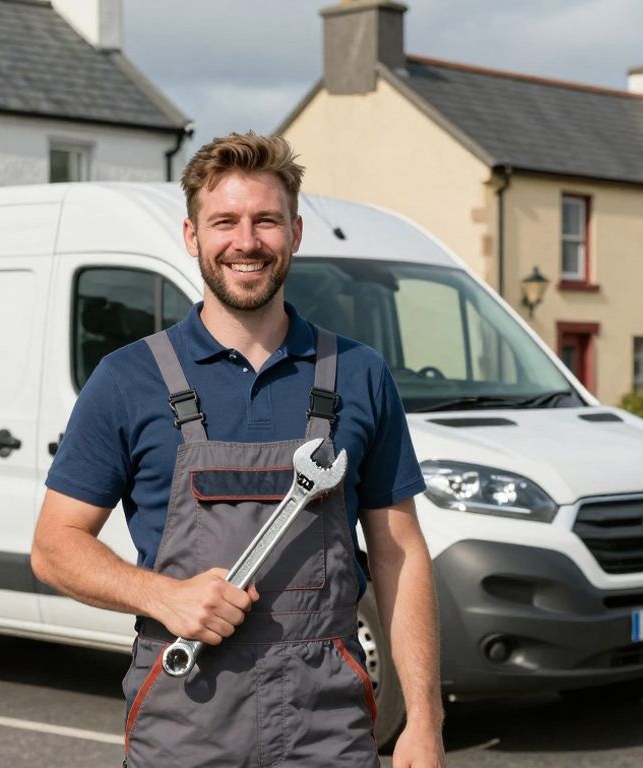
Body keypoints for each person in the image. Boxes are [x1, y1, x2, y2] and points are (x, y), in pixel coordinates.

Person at [31, 132, 444, 766]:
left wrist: (423, 718)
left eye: (266, 221)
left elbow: (400, 552)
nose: (246, 242)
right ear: (193, 236)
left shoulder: (359, 374)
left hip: (327, 725)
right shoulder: (127, 379)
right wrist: (161, 596)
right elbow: (55, 546)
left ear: (295, 233)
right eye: (224, 221)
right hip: (184, 714)